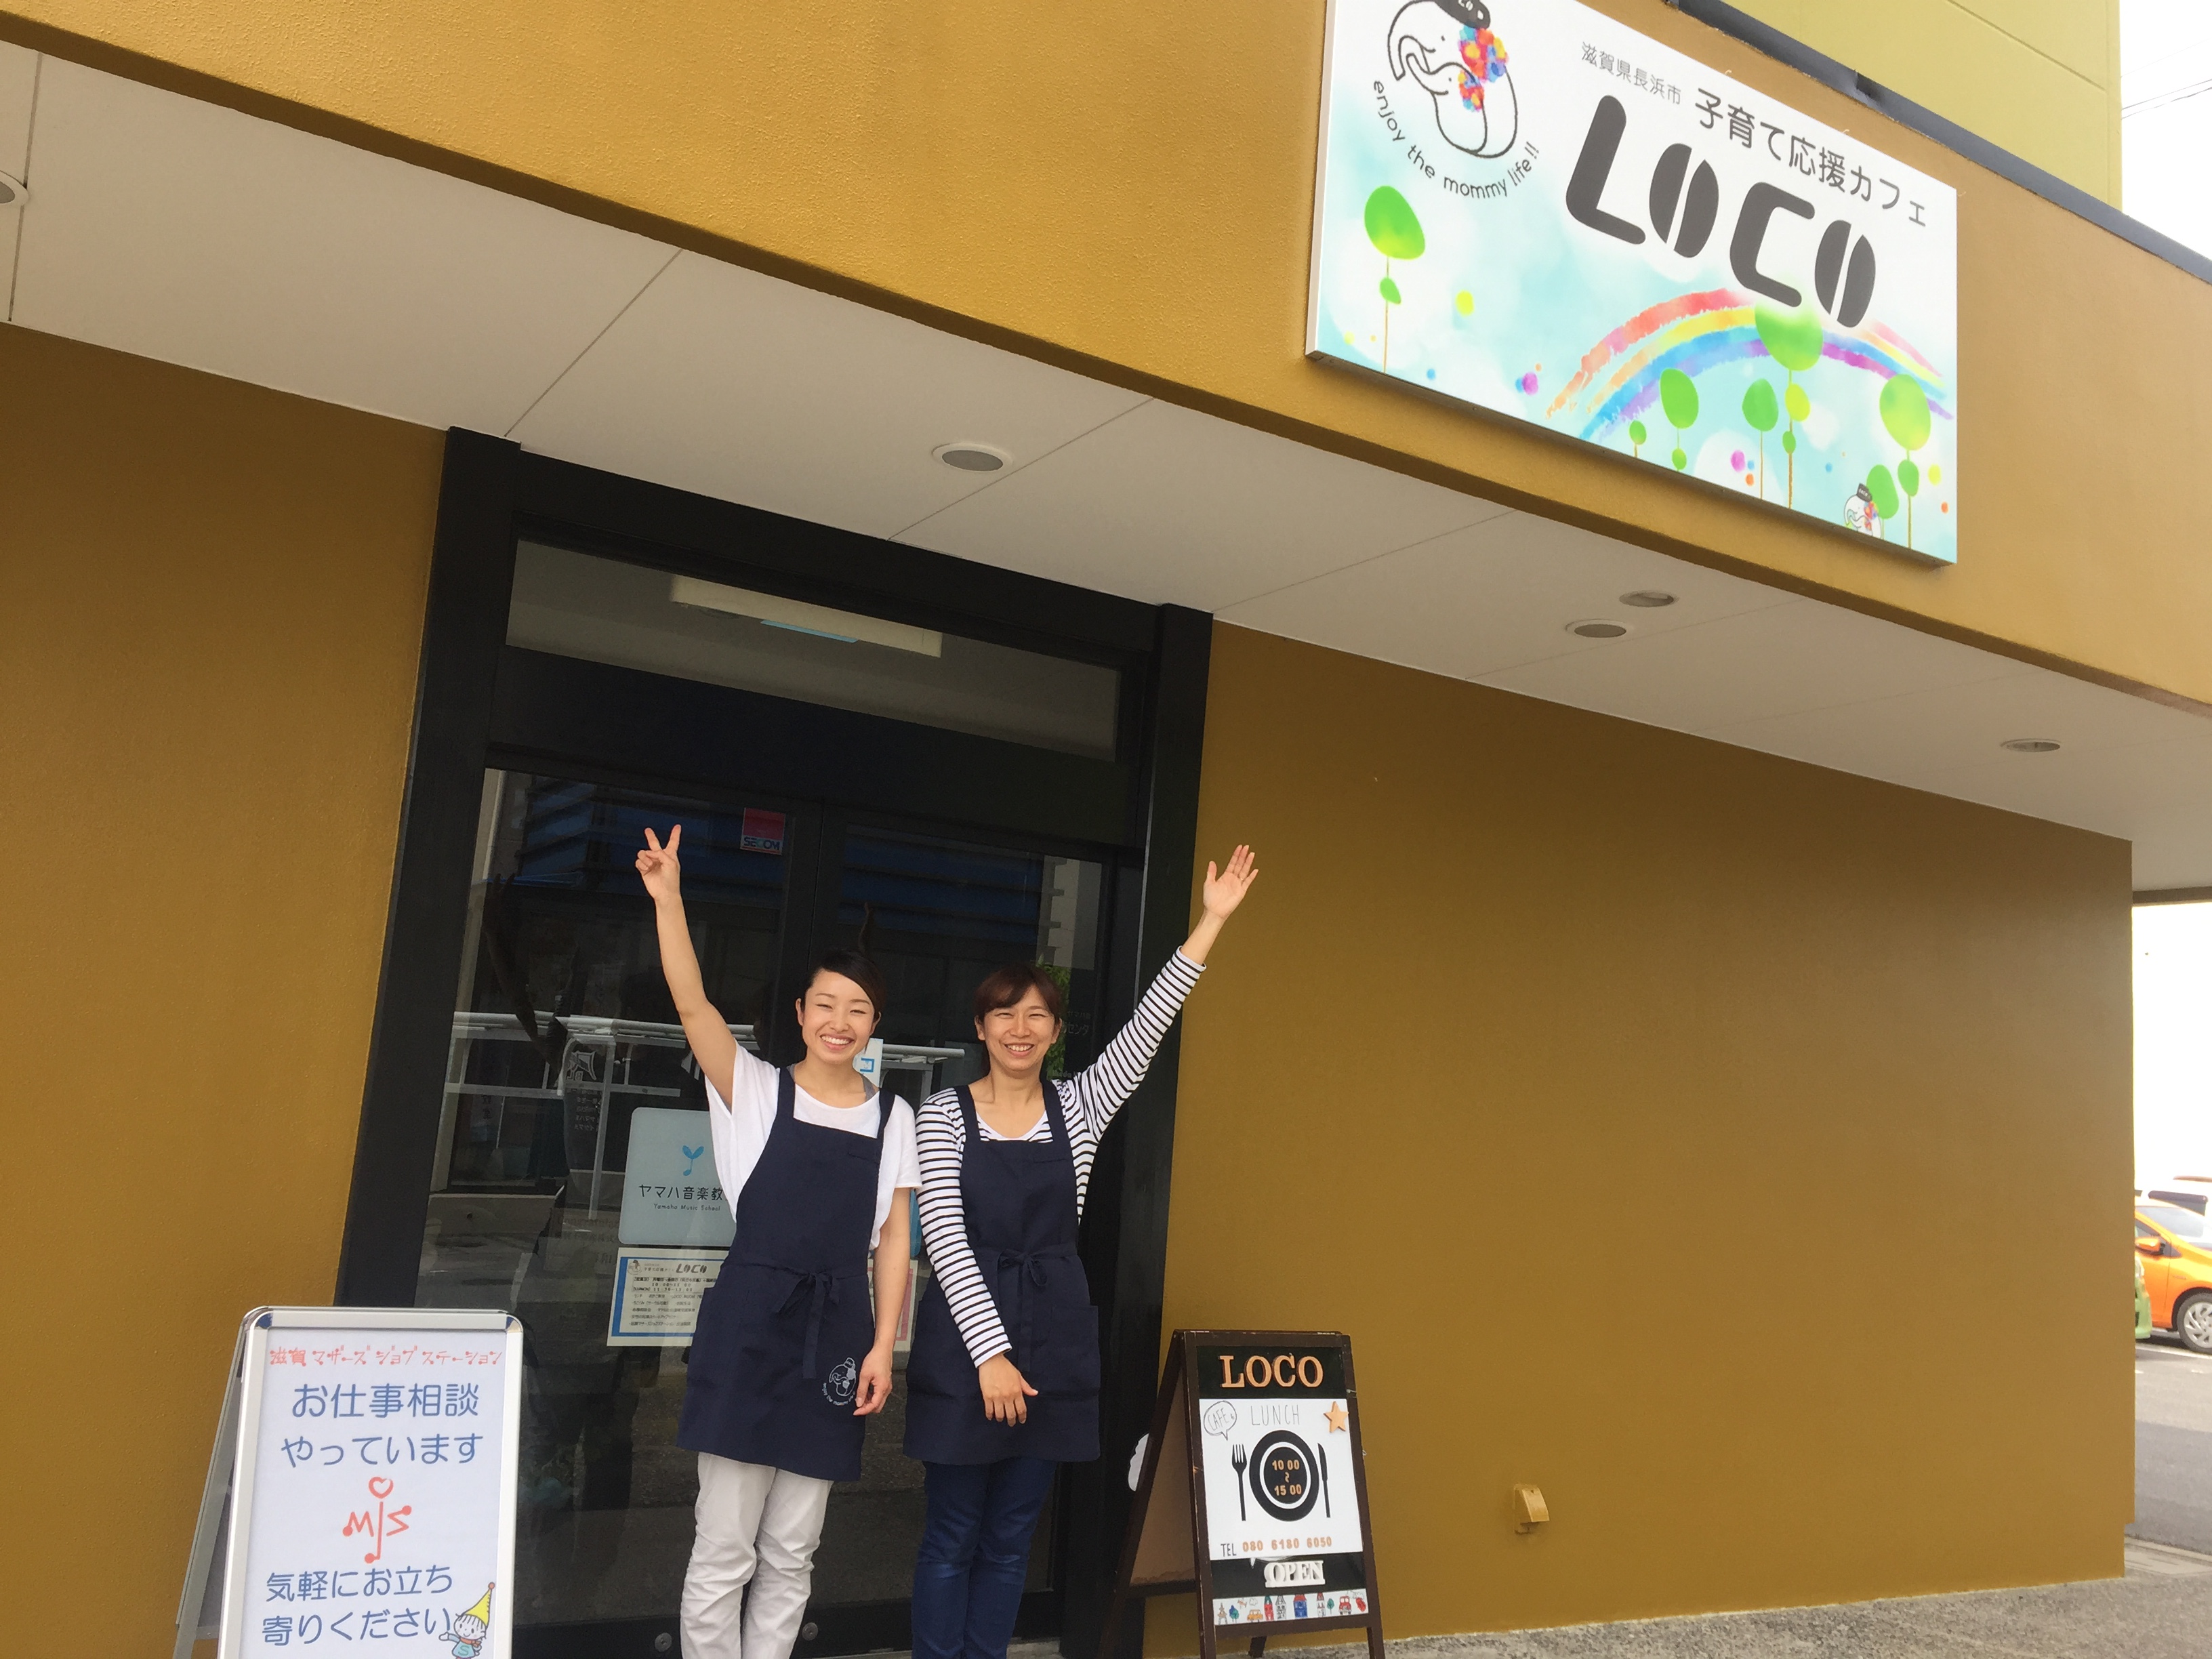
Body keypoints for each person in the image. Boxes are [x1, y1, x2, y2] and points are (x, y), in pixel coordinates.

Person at [903, 845, 1261, 1659]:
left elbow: (1150, 1025)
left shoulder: (1082, 1106)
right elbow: (947, 1241)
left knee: (1012, 1536)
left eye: (1037, 1016)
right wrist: (991, 1356)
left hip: (1055, 1339)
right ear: (980, 1027)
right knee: (952, 1533)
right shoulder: (944, 1114)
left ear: (1056, 1032)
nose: (1020, 1029)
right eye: (1004, 1014)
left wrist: (1211, 921)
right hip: (967, 1343)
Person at [636, 824, 920, 1659]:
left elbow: (894, 1242)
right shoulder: (754, 1090)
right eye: (825, 1004)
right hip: (750, 1325)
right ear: (799, 1013)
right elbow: (693, 1005)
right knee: (724, 1546)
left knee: (794, 1549)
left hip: (837, 1335)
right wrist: (669, 900)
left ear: (874, 1024)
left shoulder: (893, 1116)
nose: (839, 1021)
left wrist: (882, 1346)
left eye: (857, 1009)